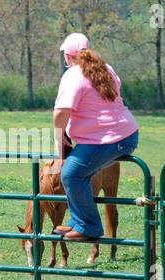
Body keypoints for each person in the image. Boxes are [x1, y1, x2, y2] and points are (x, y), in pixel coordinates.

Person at [53, 33, 139, 241]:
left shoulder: (74, 74)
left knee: (71, 174)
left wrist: (59, 138)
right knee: (76, 173)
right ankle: (77, 222)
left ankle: (89, 226)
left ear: (67, 55)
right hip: (124, 136)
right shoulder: (105, 68)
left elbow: (61, 112)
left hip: (106, 140)